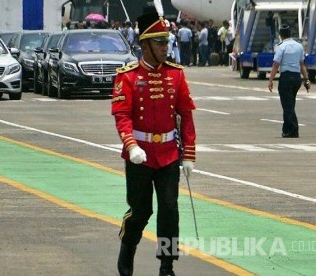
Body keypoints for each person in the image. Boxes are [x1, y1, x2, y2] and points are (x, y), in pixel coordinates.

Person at [111, 7, 196, 276]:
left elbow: (186, 115)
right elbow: (122, 116)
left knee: (169, 209)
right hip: (140, 155)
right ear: (145, 44)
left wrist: (190, 154)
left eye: (166, 42)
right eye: (159, 42)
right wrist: (131, 145)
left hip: (169, 154)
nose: (164, 47)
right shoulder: (128, 76)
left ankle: (167, 266)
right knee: (141, 211)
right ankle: (127, 251)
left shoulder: (176, 74)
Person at [268, 24, 310, 138]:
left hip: (286, 77)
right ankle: (286, 129)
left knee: (287, 105)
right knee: (290, 104)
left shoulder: (281, 47)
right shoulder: (299, 46)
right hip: (296, 78)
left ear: (281, 35)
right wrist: (306, 80)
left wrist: (270, 80)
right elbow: (302, 65)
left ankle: (293, 130)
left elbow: (275, 65)